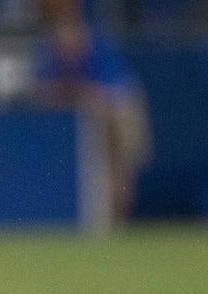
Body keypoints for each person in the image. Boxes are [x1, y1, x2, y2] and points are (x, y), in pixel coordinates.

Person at [34, 0, 151, 223]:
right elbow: (43, 92)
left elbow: (113, 93)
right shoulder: (48, 50)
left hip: (117, 112)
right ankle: (103, 218)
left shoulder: (96, 44)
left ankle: (118, 216)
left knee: (120, 168)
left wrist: (86, 97)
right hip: (81, 121)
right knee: (100, 171)